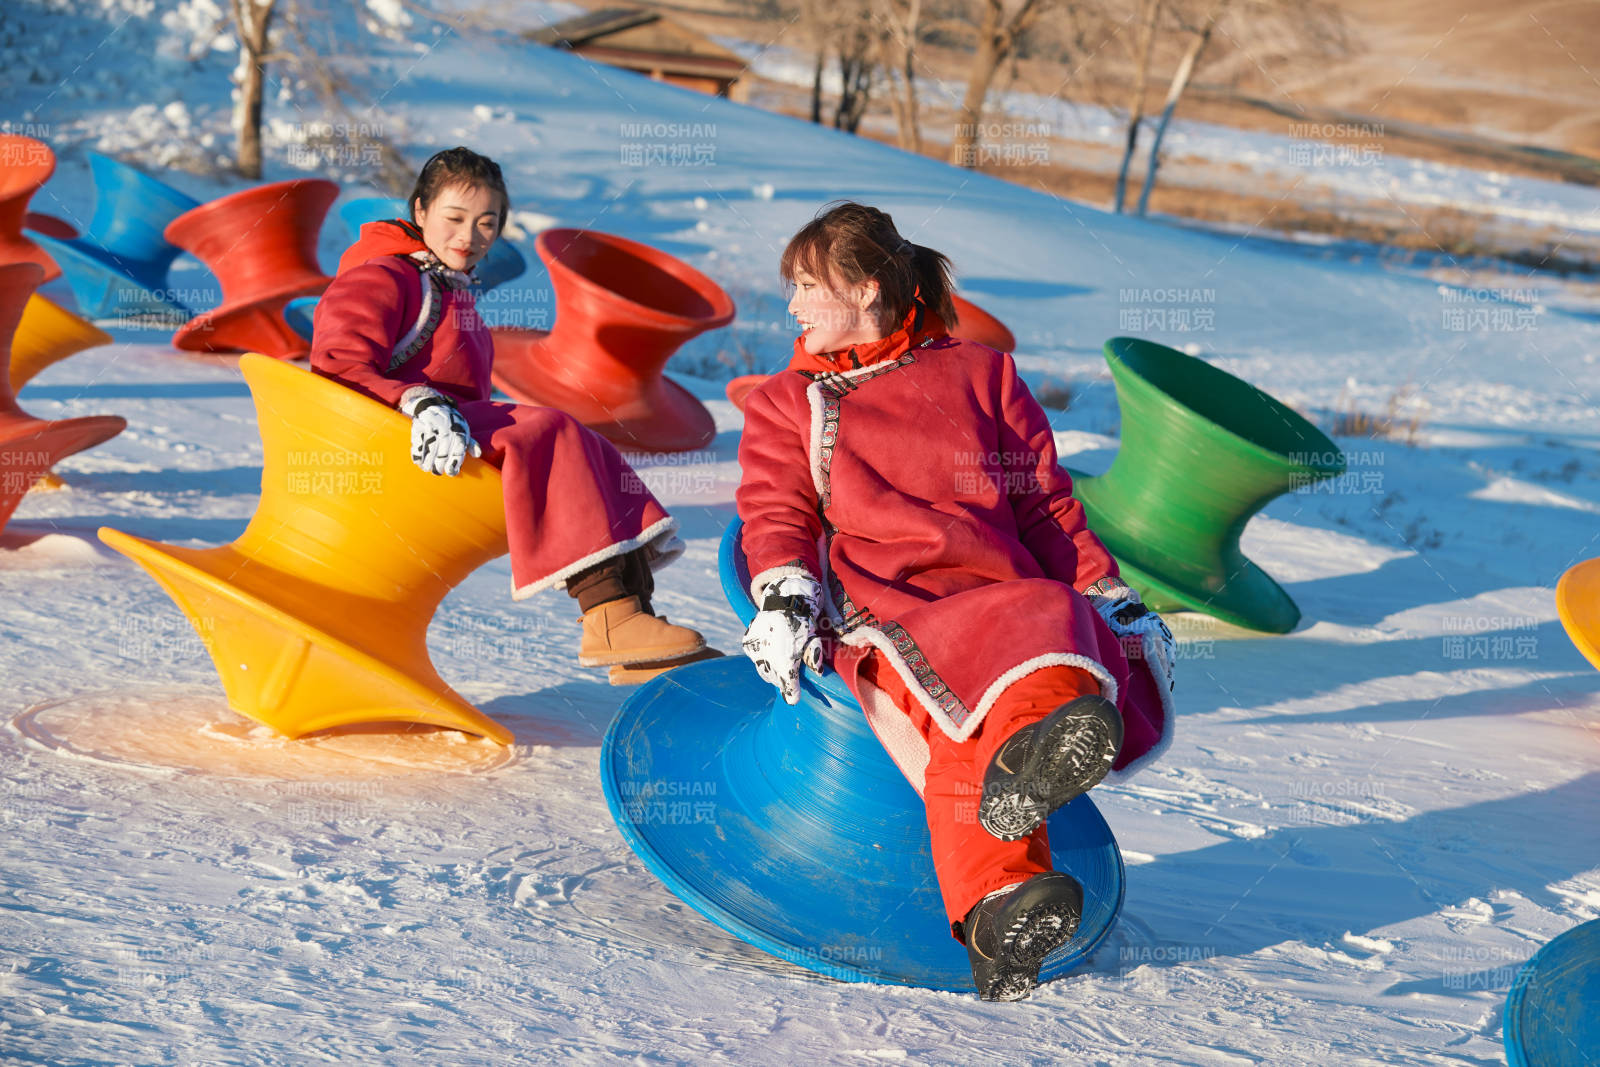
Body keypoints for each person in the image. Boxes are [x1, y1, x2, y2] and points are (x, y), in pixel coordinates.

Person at [736, 201, 1176, 1001]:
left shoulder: (982, 375)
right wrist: (787, 592)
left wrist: (1109, 597)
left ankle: (998, 901)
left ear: (867, 291)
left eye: (806, 285)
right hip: (891, 612)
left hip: (1001, 602)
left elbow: (1045, 507)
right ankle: (1019, 785)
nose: (793, 306)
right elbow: (776, 513)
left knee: (1057, 615)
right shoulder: (789, 403)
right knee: (988, 679)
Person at [311, 147, 708, 681]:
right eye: (453, 218)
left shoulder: (449, 287)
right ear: (420, 210)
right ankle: (610, 618)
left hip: (447, 434)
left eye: (486, 223)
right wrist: (415, 401)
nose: (469, 236)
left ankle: (629, 619)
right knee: (550, 430)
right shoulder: (382, 276)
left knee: (586, 442)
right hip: (399, 440)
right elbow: (336, 366)